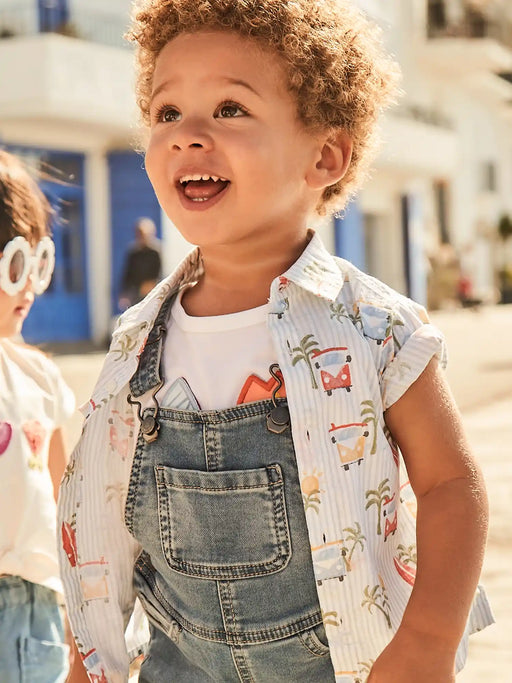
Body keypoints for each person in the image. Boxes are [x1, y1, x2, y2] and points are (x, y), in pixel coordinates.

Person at [57, 2, 494, 681]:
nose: (188, 135)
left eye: (230, 109)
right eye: (167, 113)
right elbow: (100, 513)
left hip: (344, 663)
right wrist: (91, 658)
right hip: (180, 665)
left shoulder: (375, 326)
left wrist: (430, 638)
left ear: (324, 155)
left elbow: (451, 484)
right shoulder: (137, 338)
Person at [0, 150, 85, 681]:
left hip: (35, 613)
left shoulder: (38, 379)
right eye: (13, 265)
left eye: (39, 261)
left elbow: (66, 502)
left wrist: (86, 620)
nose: (28, 286)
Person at [118, 217, 162, 310]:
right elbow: (127, 274)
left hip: (153, 293)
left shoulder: (156, 251)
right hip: (135, 293)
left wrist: (151, 285)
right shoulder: (133, 252)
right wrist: (125, 293)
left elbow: (160, 272)